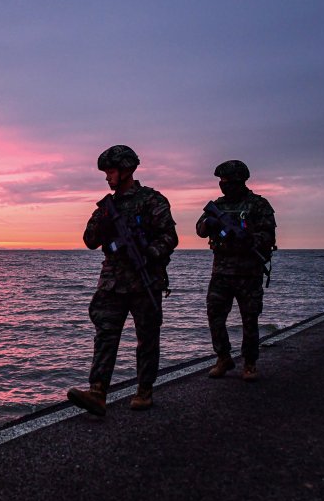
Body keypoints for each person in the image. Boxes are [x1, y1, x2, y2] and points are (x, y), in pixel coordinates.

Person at [67, 145, 178, 415]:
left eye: (111, 171)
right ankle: (98, 392)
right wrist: (104, 222)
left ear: (126, 170)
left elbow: (169, 237)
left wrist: (149, 252)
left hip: (145, 280)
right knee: (105, 334)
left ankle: (144, 390)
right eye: (106, 172)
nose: (107, 177)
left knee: (147, 337)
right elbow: (90, 240)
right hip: (113, 282)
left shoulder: (152, 200)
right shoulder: (107, 207)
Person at [195, 160, 276, 381]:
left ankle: (249, 363)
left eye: (227, 181)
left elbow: (269, 235)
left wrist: (250, 238)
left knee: (249, 319)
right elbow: (200, 230)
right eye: (221, 181)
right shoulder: (218, 206)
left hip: (248, 273)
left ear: (239, 181)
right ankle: (223, 357)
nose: (223, 185)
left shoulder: (258, 205)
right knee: (215, 315)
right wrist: (211, 224)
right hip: (221, 272)